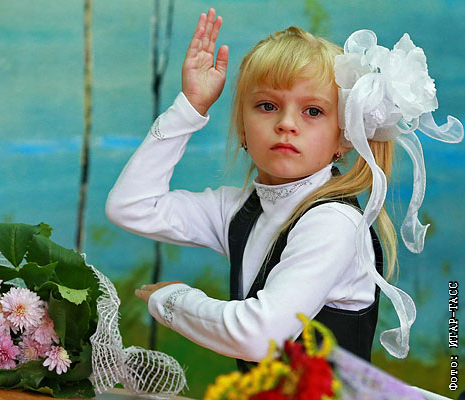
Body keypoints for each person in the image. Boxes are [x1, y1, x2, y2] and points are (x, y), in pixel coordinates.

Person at [105, 8, 462, 369]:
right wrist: (190, 108)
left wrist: (173, 300)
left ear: (344, 137)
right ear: (243, 129)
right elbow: (131, 207)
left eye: (313, 111)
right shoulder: (240, 211)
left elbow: (259, 337)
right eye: (267, 106)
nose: (286, 124)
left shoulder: (333, 222)